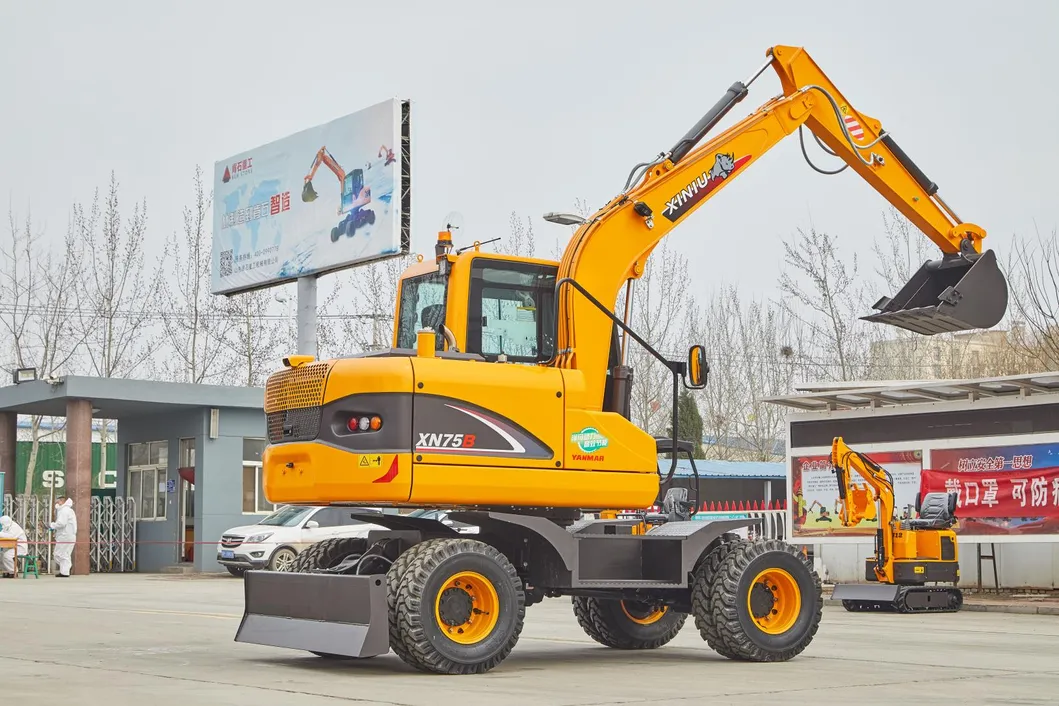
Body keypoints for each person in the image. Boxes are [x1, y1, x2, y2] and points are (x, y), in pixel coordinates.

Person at [49, 496, 77, 577]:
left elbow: (61, 523)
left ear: (61, 501)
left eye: (57, 502)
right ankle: (65, 571)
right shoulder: (67, 510)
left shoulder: (64, 510)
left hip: (65, 536)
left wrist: (52, 525)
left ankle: (65, 570)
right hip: (68, 535)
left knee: (59, 554)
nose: (56, 503)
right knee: (64, 554)